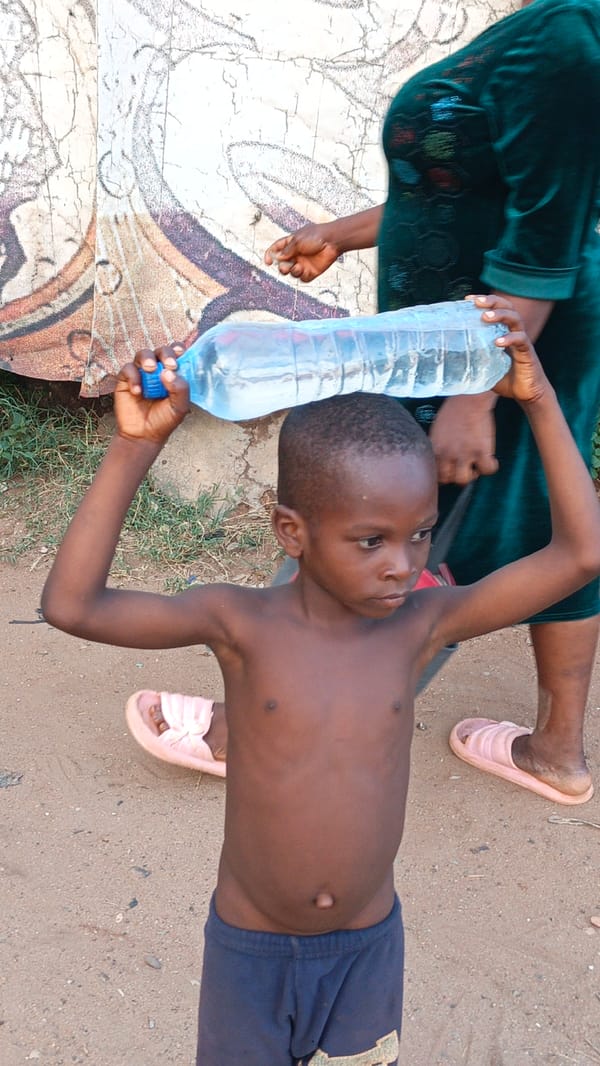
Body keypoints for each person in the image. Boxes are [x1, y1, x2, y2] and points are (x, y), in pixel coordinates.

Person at [41, 298, 600, 1063]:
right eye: (370, 540)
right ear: (291, 532)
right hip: (251, 955)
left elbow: (580, 556)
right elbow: (74, 606)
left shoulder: (419, 627)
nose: (402, 563)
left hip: (368, 952)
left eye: (419, 534)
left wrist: (537, 401)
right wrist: (134, 447)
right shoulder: (243, 627)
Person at [127, 0, 600, 804]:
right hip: (449, 346)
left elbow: (545, 240)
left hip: (475, 352)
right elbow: (466, 189)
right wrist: (344, 233)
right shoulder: (547, 27)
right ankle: (554, 751)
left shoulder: (564, 41)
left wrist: (474, 394)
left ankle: (253, 730)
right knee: (528, 523)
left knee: (365, 514)